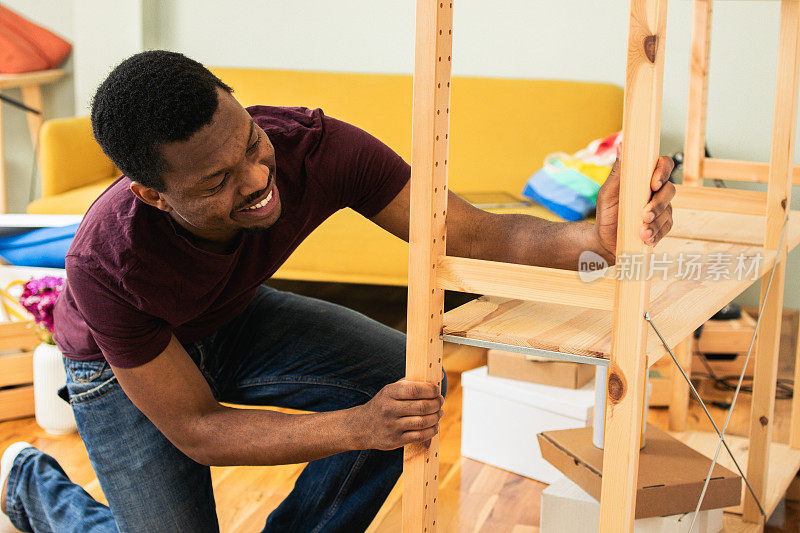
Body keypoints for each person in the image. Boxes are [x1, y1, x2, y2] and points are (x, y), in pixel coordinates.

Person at [0, 50, 675, 533]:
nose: (257, 178)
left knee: (402, 381)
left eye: (251, 144)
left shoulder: (315, 150)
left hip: (229, 316)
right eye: (216, 182)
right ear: (152, 194)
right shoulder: (108, 260)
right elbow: (198, 429)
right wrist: (358, 426)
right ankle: (35, 486)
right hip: (122, 371)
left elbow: (474, 233)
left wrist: (597, 238)